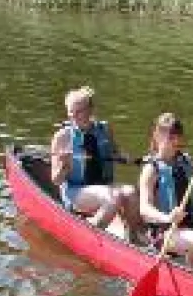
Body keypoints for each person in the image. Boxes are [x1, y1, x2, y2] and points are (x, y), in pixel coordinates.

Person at [49, 86, 143, 242]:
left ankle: (132, 239)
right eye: (71, 111)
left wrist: (126, 158)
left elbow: (114, 153)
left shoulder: (104, 129)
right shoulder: (62, 137)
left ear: (90, 110)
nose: (73, 116)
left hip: (104, 185)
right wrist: (64, 165)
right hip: (76, 191)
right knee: (113, 197)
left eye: (79, 111)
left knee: (131, 193)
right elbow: (56, 180)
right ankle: (87, 238)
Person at [137, 113, 193, 269]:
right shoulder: (151, 169)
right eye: (171, 136)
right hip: (165, 229)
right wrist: (167, 217)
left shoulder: (186, 160)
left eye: (178, 136)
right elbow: (144, 209)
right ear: (157, 136)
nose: (176, 141)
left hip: (191, 220)